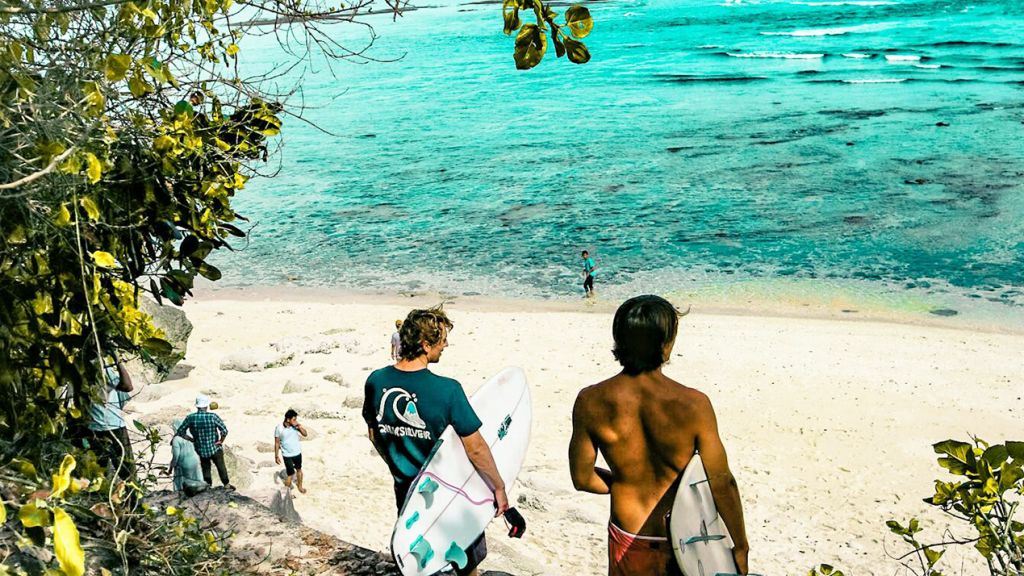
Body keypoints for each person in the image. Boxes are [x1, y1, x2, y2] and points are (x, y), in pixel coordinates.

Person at [568, 295, 749, 576]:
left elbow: (582, 479)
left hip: (628, 532)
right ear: (665, 344)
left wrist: (626, 483)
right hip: (684, 539)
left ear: (620, 340)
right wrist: (740, 546)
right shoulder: (694, 404)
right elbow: (722, 483)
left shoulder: (590, 401)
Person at [362, 306, 508, 576]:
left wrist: (397, 465)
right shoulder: (447, 390)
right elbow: (476, 449)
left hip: (408, 495)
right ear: (425, 344)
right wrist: (499, 487)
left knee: (419, 562)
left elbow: (374, 434)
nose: (446, 345)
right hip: (452, 497)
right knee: (466, 566)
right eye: (442, 339)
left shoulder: (376, 381)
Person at [87, 349, 135, 479]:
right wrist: (116, 359)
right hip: (112, 427)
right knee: (127, 472)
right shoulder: (102, 370)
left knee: (100, 473)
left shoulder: (81, 371)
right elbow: (127, 386)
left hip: (95, 429)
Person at [174, 395, 234, 490]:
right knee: (221, 466)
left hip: (200, 448)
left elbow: (180, 432)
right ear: (206, 406)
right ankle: (226, 485)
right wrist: (220, 441)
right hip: (215, 447)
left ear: (197, 406)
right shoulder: (213, 416)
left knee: (206, 468)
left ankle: (208, 486)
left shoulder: (190, 418)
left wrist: (191, 439)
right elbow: (224, 431)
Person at [167, 419, 207, 495]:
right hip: (195, 460)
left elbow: (176, 457)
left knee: (184, 484)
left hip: (184, 463)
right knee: (198, 480)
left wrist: (171, 468)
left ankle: (183, 496)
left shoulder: (176, 439)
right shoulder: (190, 436)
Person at [275, 409, 308, 494]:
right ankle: (287, 493)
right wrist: (276, 456)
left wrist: (299, 427)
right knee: (290, 474)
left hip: (297, 453)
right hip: (287, 455)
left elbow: (305, 434)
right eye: (294, 419)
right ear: (288, 419)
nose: (295, 421)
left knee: (299, 470)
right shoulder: (279, 428)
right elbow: (277, 442)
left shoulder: (295, 426)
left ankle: (300, 486)